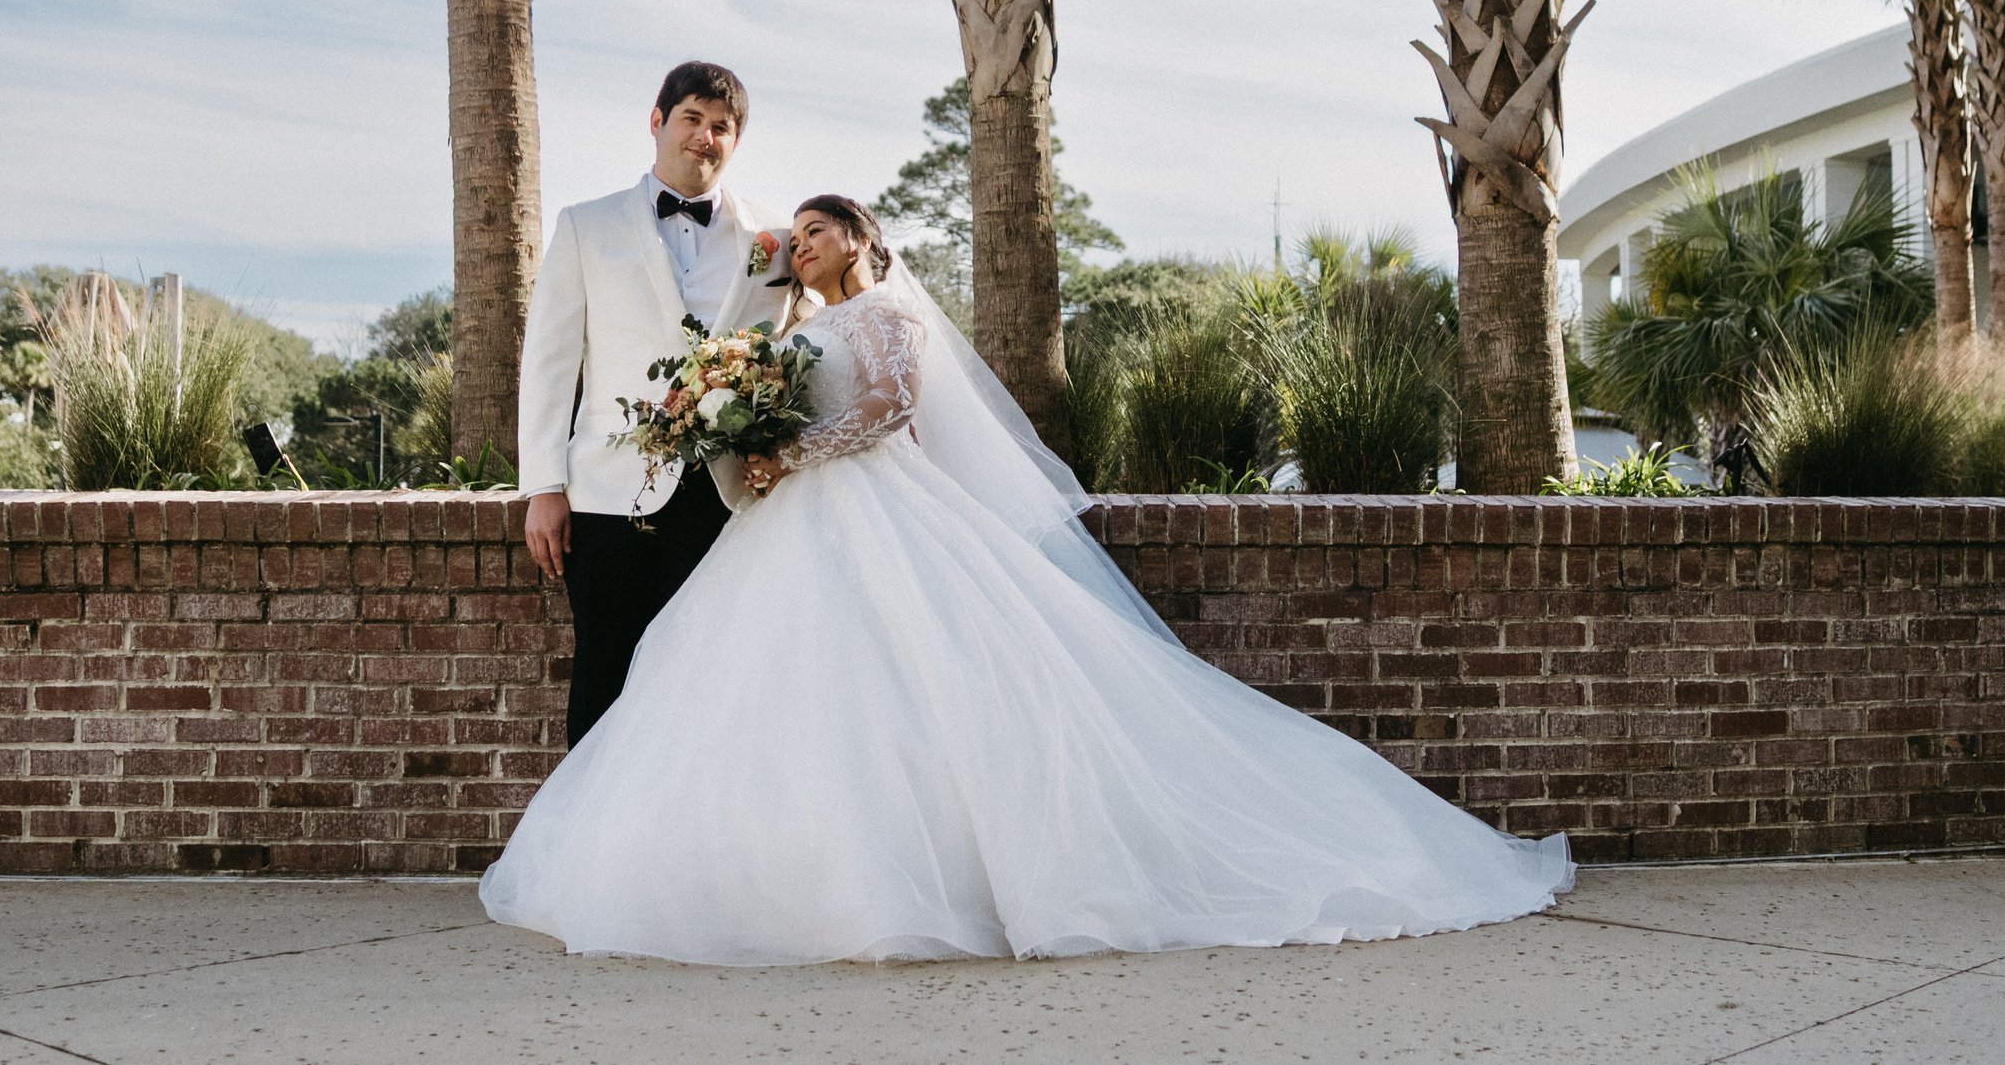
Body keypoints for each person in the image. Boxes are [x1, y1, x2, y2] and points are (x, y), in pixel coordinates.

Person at [483, 195, 1573, 963]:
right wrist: (750, 432)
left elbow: (889, 413)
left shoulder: (890, 315)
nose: (803, 245)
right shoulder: (789, 325)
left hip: (875, 509)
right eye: (797, 234)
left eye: (822, 230)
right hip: (789, 524)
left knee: (923, 683)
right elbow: (769, 394)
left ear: (860, 240)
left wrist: (791, 452)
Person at [515, 59, 799, 747]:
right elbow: (552, 360)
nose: (705, 137)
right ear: (657, 121)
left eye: (722, 127)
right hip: (610, 499)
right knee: (605, 680)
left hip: (729, 500)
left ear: (736, 141)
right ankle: (586, 850)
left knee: (716, 688)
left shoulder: (776, 238)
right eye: (692, 119)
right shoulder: (586, 225)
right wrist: (543, 485)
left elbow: (795, 349)